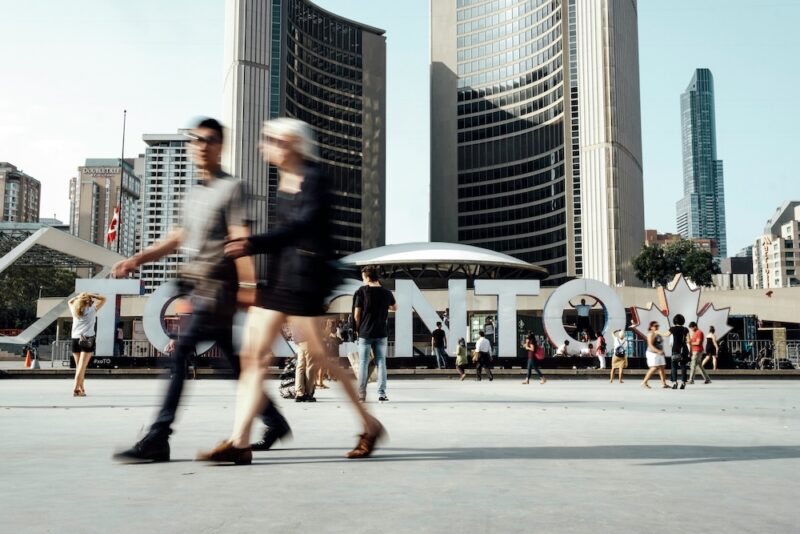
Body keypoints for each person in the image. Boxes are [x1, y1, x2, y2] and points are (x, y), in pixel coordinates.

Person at [197, 118, 384, 464]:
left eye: (270, 139)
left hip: (305, 285)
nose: (262, 145)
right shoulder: (284, 182)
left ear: (292, 144)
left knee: (324, 359)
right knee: (253, 356)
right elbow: (286, 236)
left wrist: (251, 243)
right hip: (279, 282)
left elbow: (301, 229)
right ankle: (239, 442)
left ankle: (370, 424)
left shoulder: (315, 179)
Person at [112, 117, 291, 463]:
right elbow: (178, 237)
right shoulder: (193, 193)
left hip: (219, 290)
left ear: (221, 145)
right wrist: (139, 258)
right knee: (232, 366)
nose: (201, 145)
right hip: (197, 288)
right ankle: (274, 420)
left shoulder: (232, 187)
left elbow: (240, 238)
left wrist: (250, 288)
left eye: (209, 139)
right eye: (196, 140)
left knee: (180, 355)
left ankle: (158, 436)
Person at [353, 265, 396, 403]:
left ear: (367, 277)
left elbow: (356, 315)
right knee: (381, 363)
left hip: (365, 333)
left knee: (363, 363)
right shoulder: (387, 292)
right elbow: (395, 308)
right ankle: (382, 393)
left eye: (363, 278)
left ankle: (361, 395)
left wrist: (358, 330)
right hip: (381, 333)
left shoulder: (361, 291)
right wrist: (384, 307)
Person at [68, 292, 106, 396]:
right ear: (88, 301)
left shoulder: (74, 310)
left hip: (75, 339)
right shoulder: (92, 310)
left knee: (79, 367)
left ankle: (81, 389)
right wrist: (92, 295)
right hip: (87, 339)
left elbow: (69, 301)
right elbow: (104, 299)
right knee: (82, 366)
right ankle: (76, 389)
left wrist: (79, 296)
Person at [641, 321, 668, 389]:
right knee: (654, 367)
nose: (657, 327)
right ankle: (644, 382)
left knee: (662, 367)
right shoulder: (650, 334)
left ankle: (663, 383)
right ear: (651, 327)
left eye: (657, 325)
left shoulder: (658, 333)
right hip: (652, 353)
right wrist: (658, 351)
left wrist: (662, 351)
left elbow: (660, 343)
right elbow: (650, 345)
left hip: (659, 353)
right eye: (655, 326)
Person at [292, 326, 316, 402]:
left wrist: (296, 339)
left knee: (300, 366)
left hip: (300, 341)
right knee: (310, 366)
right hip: (310, 340)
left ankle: (299, 392)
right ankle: (308, 393)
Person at [668, 314, 690, 390]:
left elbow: (666, 334)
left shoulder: (673, 329)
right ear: (683, 321)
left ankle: (675, 383)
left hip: (675, 349)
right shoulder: (685, 329)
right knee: (683, 366)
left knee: (674, 366)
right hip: (684, 349)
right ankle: (683, 383)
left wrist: (657, 332)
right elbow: (689, 340)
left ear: (674, 321)